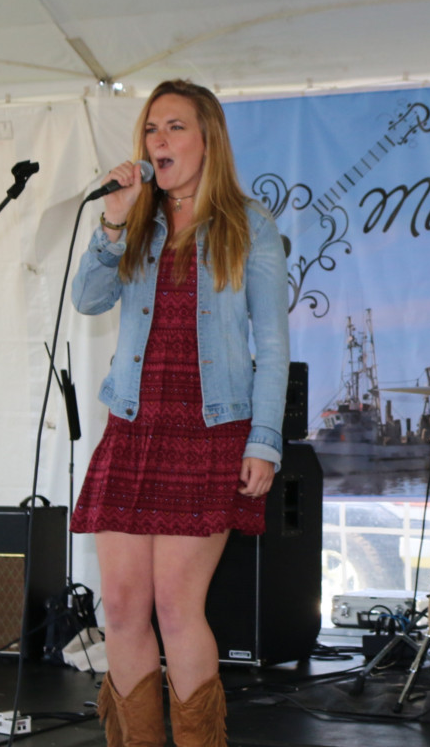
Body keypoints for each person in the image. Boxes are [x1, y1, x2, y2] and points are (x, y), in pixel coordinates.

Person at [71, 79, 289, 747]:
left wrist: (265, 440)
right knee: (124, 608)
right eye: (150, 129)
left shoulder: (248, 224)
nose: (157, 141)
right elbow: (86, 299)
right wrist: (113, 218)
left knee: (175, 604)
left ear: (207, 140)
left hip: (209, 427)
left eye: (173, 128)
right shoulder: (136, 219)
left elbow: (274, 342)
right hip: (134, 425)